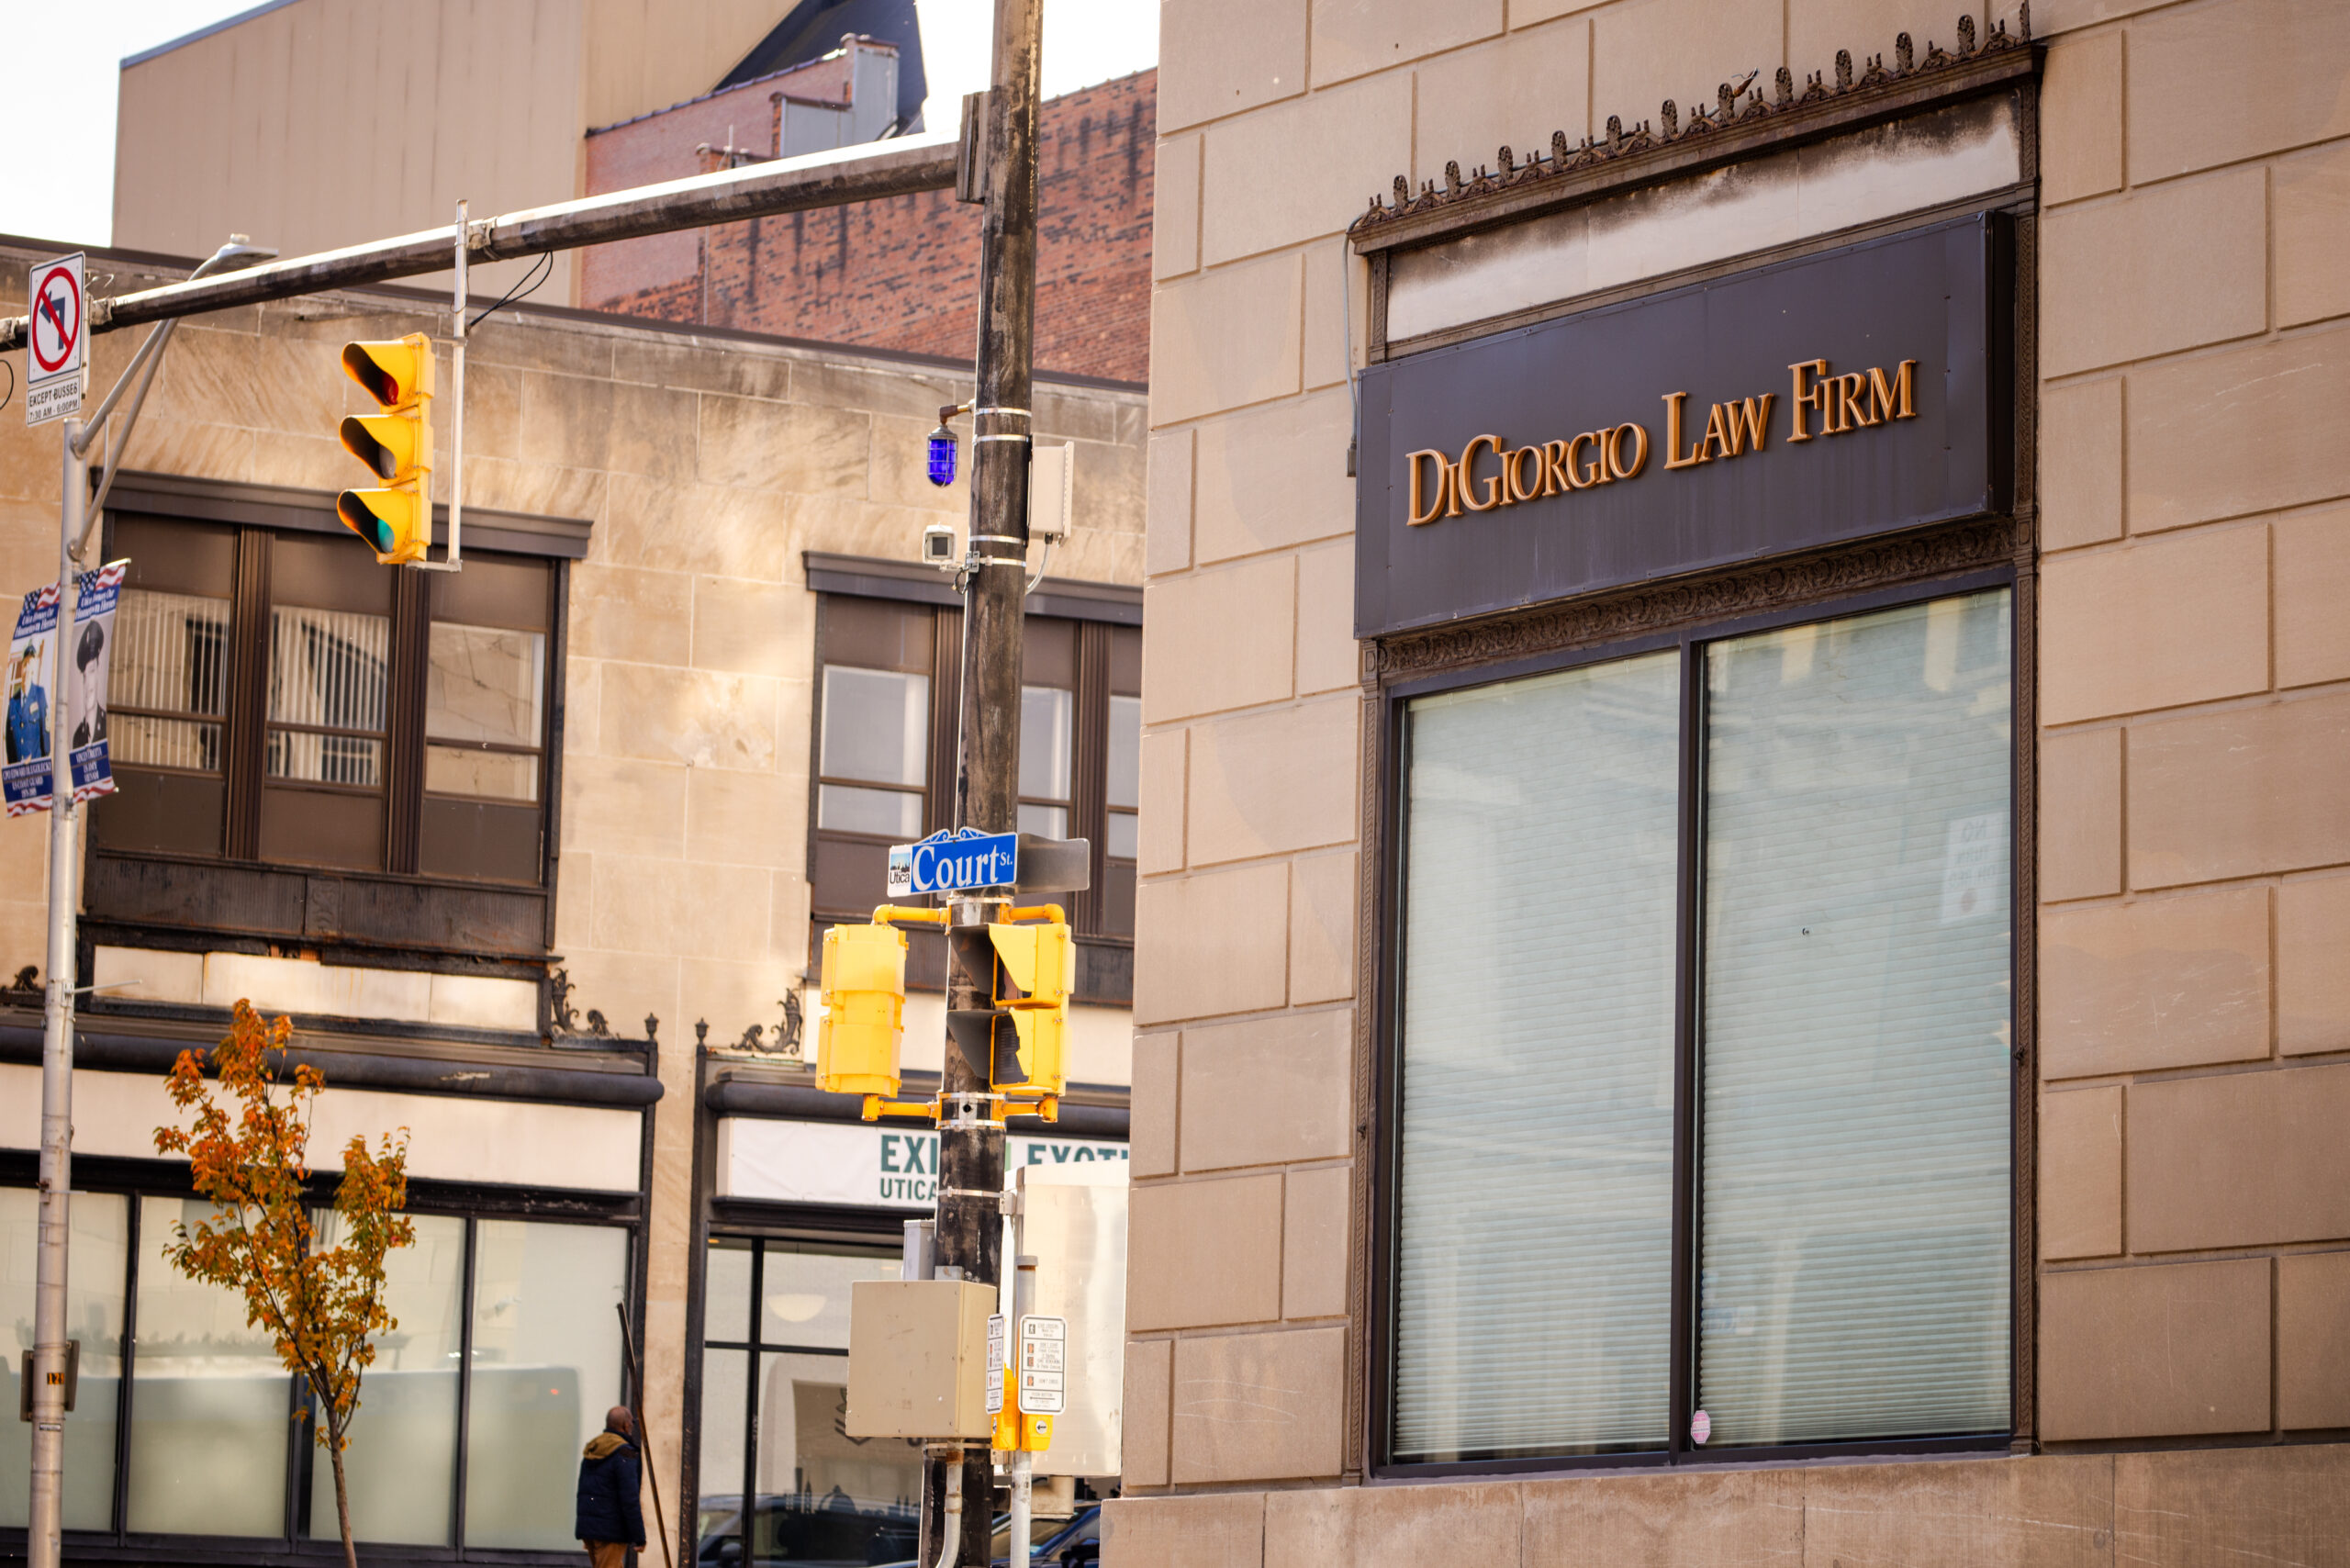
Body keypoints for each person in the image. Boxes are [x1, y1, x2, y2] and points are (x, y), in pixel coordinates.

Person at [576, 1405, 647, 1568]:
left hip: (590, 1529)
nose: (632, 1426)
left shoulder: (594, 1448)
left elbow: (584, 1490)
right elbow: (630, 1498)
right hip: (610, 1531)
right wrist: (639, 1536)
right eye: (632, 1422)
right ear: (626, 1425)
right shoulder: (625, 1453)